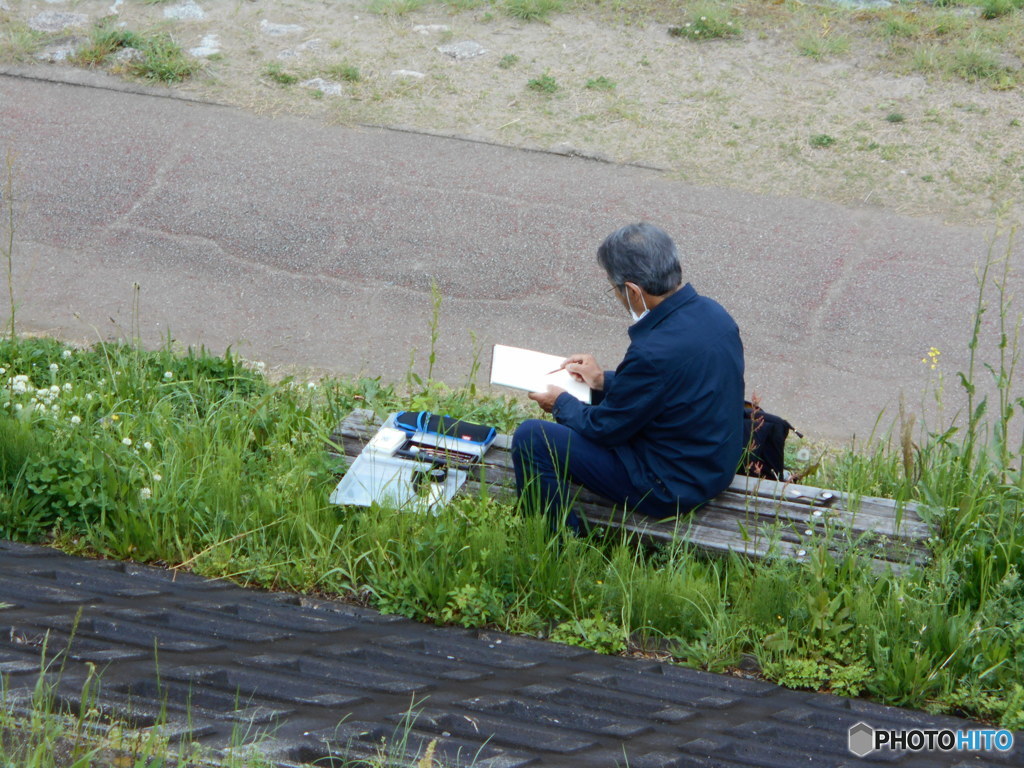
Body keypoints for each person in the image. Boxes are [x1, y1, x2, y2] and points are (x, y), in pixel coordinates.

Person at [510, 222, 745, 534]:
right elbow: (669, 389)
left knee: (531, 439)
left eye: (614, 288)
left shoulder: (652, 352)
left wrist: (560, 404)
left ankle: (558, 541)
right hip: (712, 466)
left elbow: (605, 429)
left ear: (634, 291)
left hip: (670, 486)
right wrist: (601, 381)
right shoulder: (715, 315)